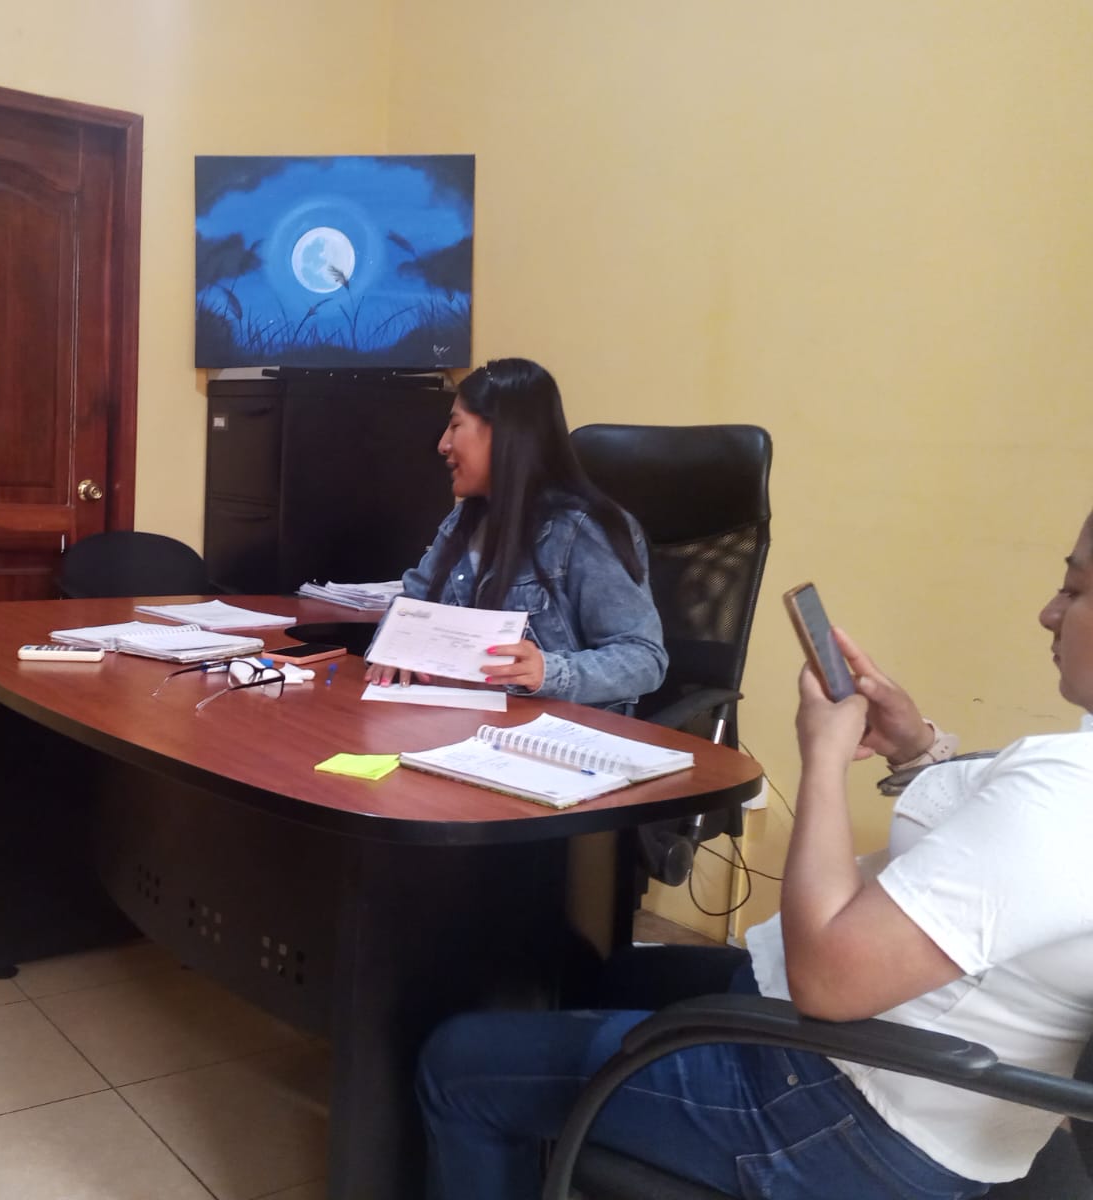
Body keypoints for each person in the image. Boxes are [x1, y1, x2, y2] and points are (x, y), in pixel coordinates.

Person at [415, 507, 1093, 1198]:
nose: (1049, 612)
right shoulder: (1072, 771)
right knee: (604, 978)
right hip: (905, 1079)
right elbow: (1010, 856)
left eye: (1074, 590)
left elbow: (827, 981)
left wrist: (822, 756)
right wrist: (916, 747)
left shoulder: (1069, 794)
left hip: (852, 1116)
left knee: (457, 1065)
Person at [364, 358, 667, 712]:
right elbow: (411, 603)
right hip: (459, 719)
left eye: (456, 425)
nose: (443, 444)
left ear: (502, 433)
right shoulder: (463, 520)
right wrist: (395, 648)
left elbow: (644, 659)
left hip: (552, 732)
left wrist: (547, 672)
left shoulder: (582, 530)